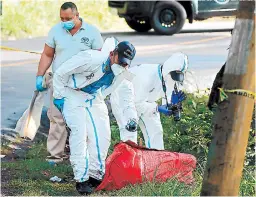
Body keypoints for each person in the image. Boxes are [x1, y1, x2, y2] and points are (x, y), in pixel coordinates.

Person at [52, 38, 136, 195]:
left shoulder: (123, 75)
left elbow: (126, 97)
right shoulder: (90, 58)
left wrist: (131, 117)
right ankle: (81, 179)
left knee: (102, 136)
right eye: (120, 61)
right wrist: (59, 96)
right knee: (79, 135)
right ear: (112, 54)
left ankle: (95, 176)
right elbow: (61, 73)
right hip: (73, 94)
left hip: (94, 97)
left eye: (126, 64)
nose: (122, 65)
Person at [35, 2, 103, 163]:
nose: (65, 22)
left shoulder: (92, 32)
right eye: (62, 18)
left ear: (77, 15)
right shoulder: (55, 31)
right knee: (57, 118)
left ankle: (83, 155)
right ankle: (55, 156)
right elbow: (47, 54)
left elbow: (99, 58)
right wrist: (40, 75)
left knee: (83, 119)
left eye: (68, 18)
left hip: (82, 85)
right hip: (59, 82)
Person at [110, 52, 188, 150]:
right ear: (168, 70)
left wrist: (172, 106)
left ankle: (156, 162)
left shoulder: (169, 79)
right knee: (130, 135)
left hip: (145, 102)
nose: (174, 80)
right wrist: (158, 108)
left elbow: (166, 94)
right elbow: (135, 104)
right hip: (123, 101)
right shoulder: (146, 77)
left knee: (156, 131)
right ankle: (130, 163)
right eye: (173, 76)